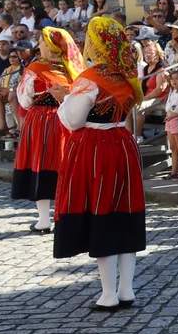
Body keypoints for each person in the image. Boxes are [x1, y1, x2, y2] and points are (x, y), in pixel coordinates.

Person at [53, 17, 147, 312]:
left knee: (101, 211)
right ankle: (126, 289)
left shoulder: (91, 77)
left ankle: (108, 294)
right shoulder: (128, 75)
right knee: (125, 212)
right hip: (123, 144)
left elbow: (74, 120)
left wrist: (63, 100)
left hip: (95, 147)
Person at [11, 27, 82, 233]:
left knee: (41, 164)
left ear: (50, 45)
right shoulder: (74, 67)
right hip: (68, 118)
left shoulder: (36, 68)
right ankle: (66, 216)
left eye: (41, 41)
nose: (39, 45)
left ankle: (44, 220)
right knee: (65, 166)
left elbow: (24, 99)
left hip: (42, 120)